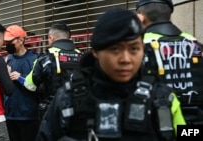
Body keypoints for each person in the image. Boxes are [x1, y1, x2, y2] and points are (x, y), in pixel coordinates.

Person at [36, 8, 186, 141]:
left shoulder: (163, 98)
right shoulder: (67, 98)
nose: (126, 59)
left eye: (134, 49)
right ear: (95, 51)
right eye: (115, 49)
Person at [136, 0, 203, 125]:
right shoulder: (196, 46)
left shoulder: (137, 48)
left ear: (140, 17)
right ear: (170, 16)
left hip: (158, 126)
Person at [18, 23, 82, 121]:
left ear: (51, 38)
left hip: (52, 114)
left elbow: (29, 85)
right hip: (78, 112)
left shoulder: (45, 59)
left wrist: (20, 77)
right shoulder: (82, 57)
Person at [3, 24, 39, 141]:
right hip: (9, 114)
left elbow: (38, 85)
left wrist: (20, 77)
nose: (7, 45)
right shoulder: (7, 59)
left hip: (28, 115)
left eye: (10, 42)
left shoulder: (34, 59)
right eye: (6, 42)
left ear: (21, 40)